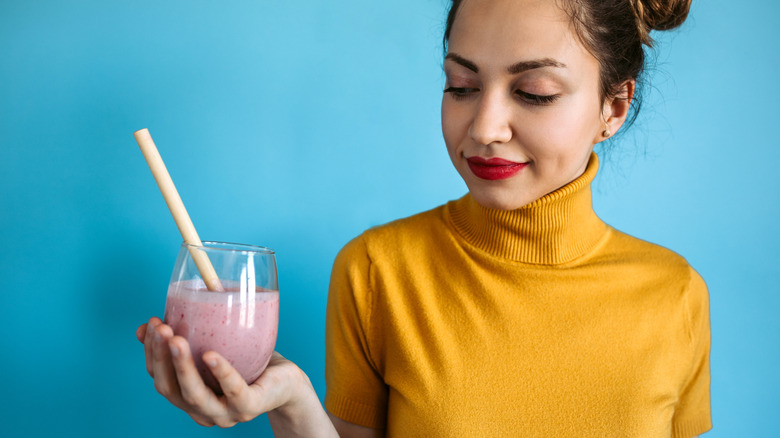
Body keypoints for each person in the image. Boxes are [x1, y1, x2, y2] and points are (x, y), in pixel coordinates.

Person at [136, 0, 711, 436]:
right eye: (461, 85)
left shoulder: (676, 294)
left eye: (533, 92)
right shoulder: (376, 271)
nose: (484, 128)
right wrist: (295, 407)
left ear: (613, 108)